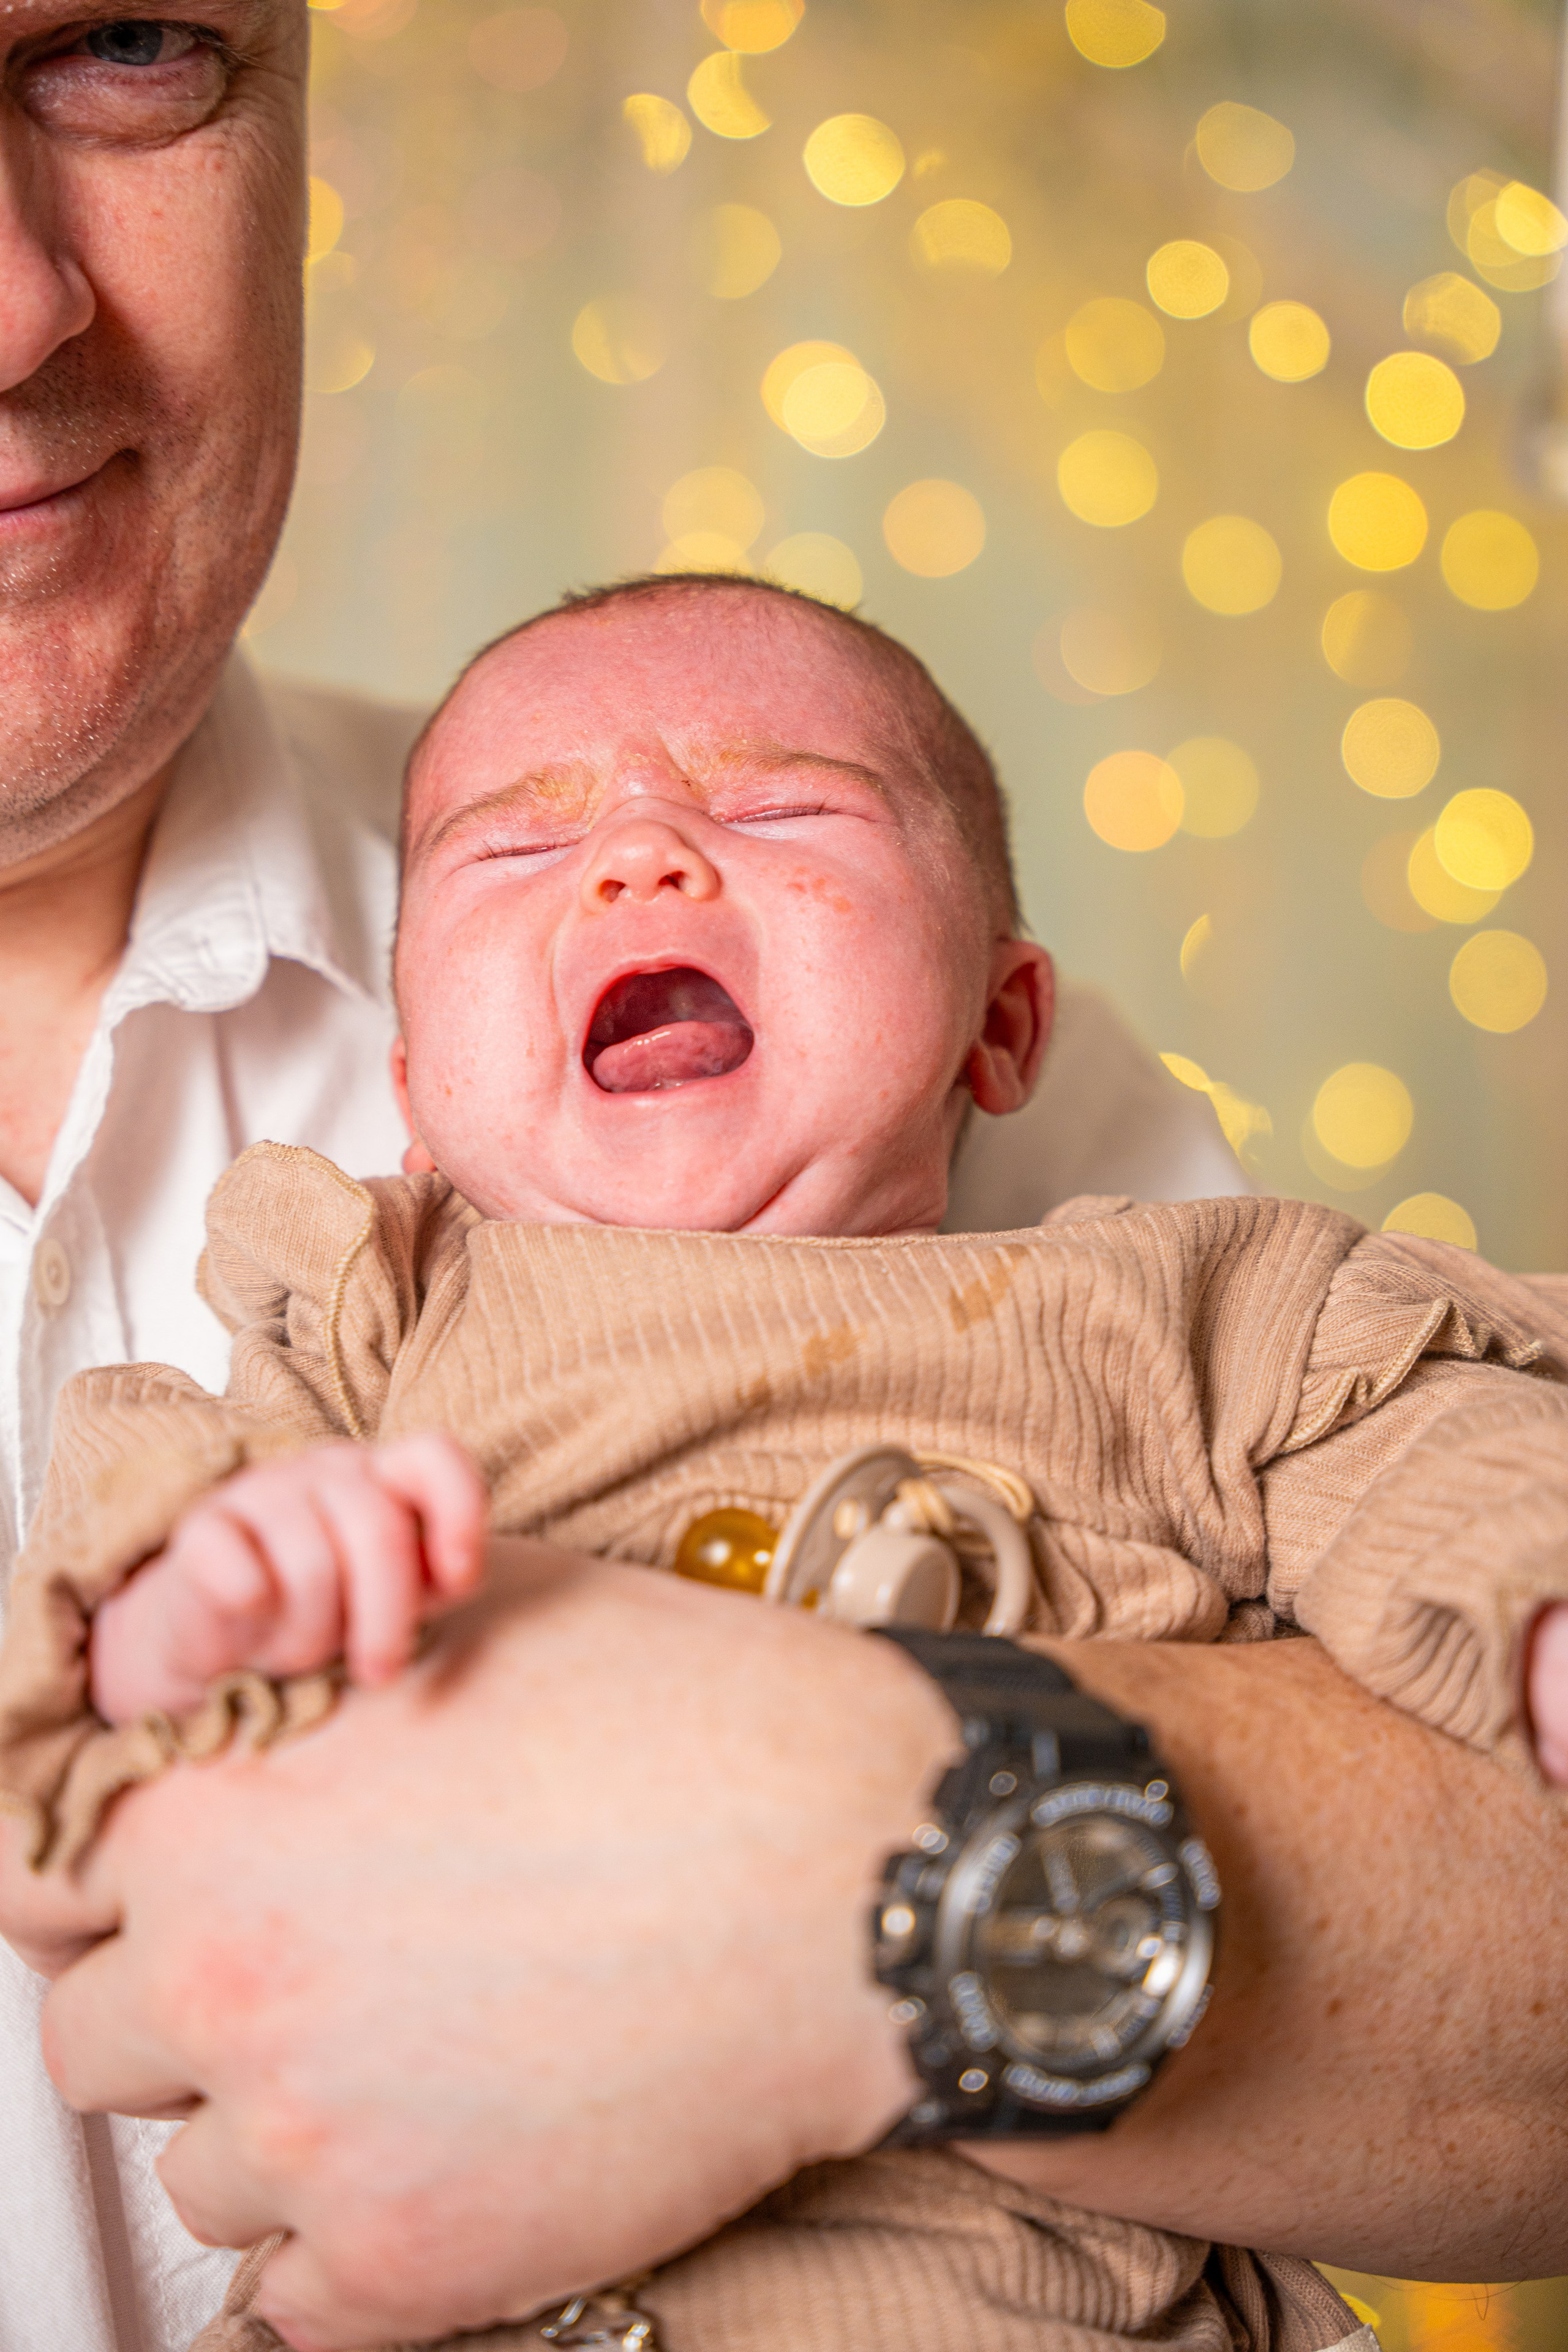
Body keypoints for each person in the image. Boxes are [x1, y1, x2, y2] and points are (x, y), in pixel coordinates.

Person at [0, 7, 1244, 2348]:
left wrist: (845, 1869)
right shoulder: (344, 1301)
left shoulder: (879, 1035)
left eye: (121, 45)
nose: (12, 298)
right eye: (524, 846)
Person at [6, 577, 1568, 2352]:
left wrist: (1532, 1606)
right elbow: (107, 1630)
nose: (640, 859)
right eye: (516, 854)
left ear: (1004, 1023)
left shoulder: (1167, 1303)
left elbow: (1426, 1410)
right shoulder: (371, 1314)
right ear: (417, 1095)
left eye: (780, 807)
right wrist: (201, 1610)